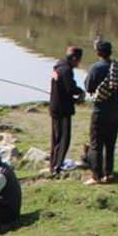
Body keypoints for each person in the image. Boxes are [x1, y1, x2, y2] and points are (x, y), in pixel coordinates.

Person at [83, 40, 118, 184]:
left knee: (96, 143)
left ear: (98, 52)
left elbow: (88, 86)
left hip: (100, 111)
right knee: (110, 144)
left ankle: (96, 176)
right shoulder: (116, 67)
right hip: (115, 111)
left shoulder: (96, 68)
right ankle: (108, 174)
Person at [48, 45, 83, 177]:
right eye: (78, 60)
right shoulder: (66, 70)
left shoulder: (57, 66)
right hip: (63, 110)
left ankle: (53, 164)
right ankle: (57, 167)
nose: (78, 63)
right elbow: (70, 89)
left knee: (55, 138)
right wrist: (80, 92)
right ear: (74, 58)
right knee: (63, 139)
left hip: (55, 107)